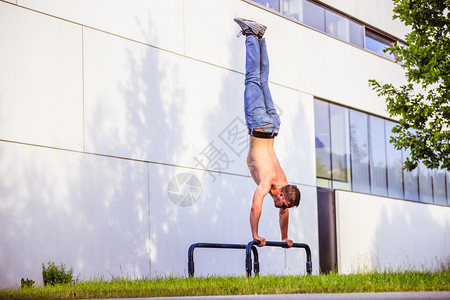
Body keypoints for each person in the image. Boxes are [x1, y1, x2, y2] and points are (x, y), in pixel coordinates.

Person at [234, 18, 301, 248]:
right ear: (283, 195)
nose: (280, 208)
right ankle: (252, 36)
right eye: (281, 204)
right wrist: (255, 234)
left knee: (262, 80)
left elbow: (284, 213)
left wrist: (284, 237)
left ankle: (260, 38)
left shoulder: (284, 183)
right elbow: (255, 205)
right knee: (253, 79)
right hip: (260, 126)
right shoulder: (270, 181)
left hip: (273, 127)